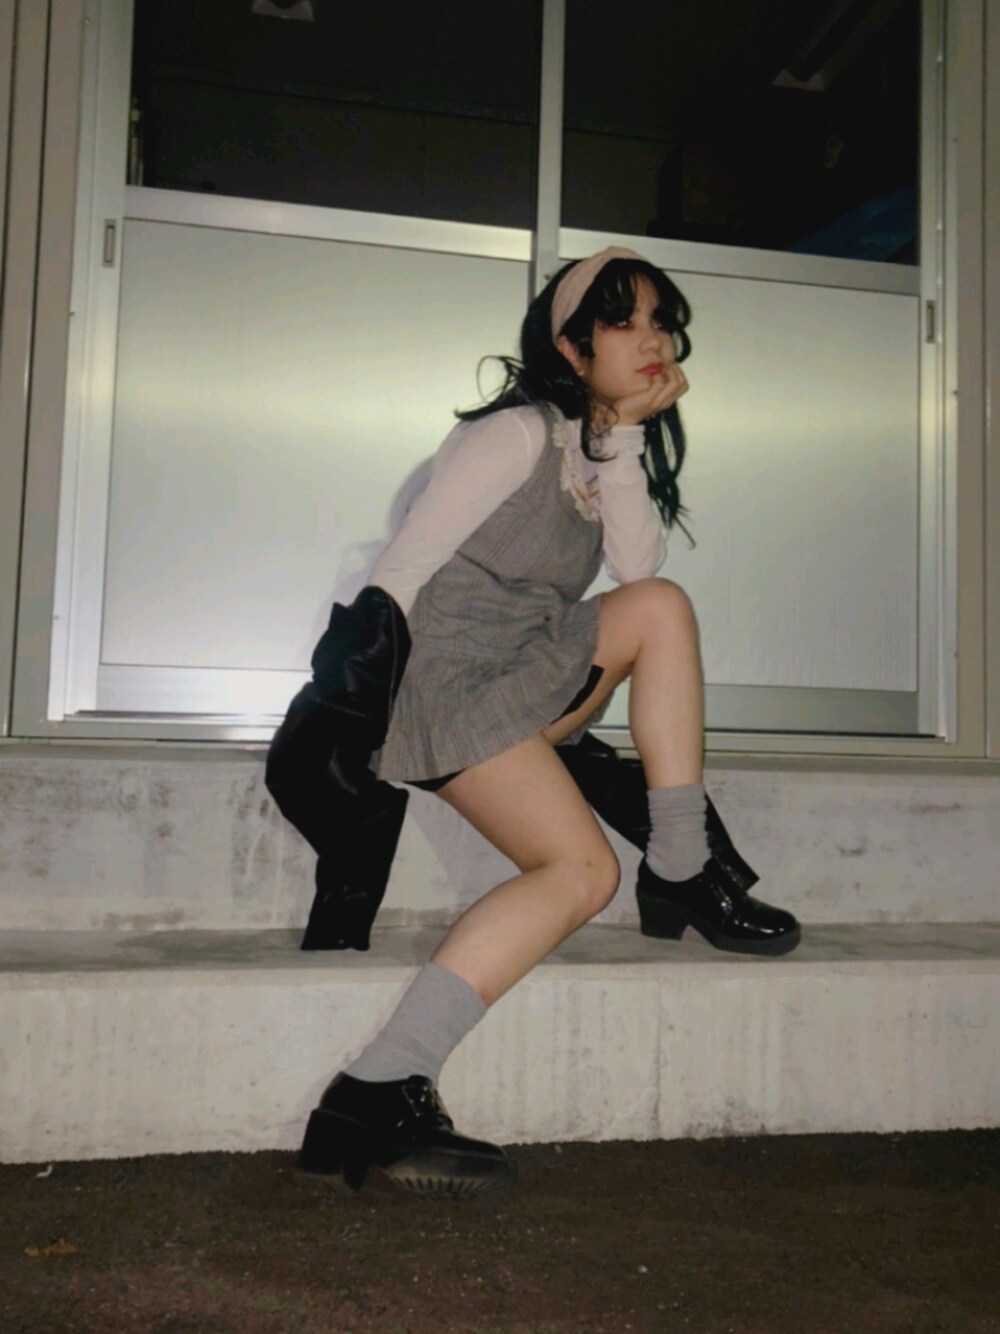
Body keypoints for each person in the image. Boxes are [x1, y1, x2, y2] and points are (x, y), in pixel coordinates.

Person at [296, 246, 800, 1198]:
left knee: (661, 607)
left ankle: (681, 864)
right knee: (582, 872)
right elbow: (403, 570)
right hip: (446, 682)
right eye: (624, 321)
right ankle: (375, 1089)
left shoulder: (590, 448)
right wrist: (354, 710)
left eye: (663, 323)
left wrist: (623, 438)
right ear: (571, 348)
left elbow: (637, 571)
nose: (654, 341)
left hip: (525, 669)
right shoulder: (514, 434)